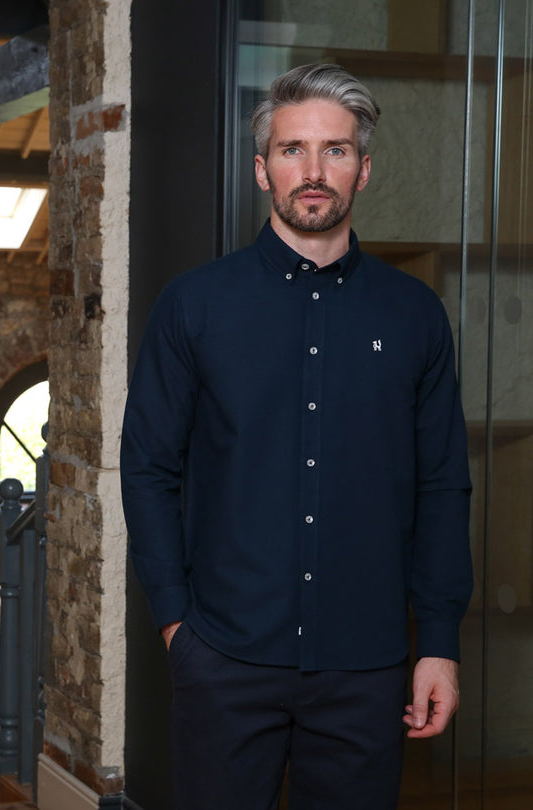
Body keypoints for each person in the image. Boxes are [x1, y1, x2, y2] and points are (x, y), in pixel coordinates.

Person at [120, 63, 473, 810]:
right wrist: (176, 625)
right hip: (222, 658)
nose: (313, 172)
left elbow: (443, 484)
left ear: (364, 170)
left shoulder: (416, 317)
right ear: (261, 169)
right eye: (292, 150)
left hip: (366, 670)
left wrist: (438, 641)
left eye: (335, 151)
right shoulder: (194, 306)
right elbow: (148, 467)